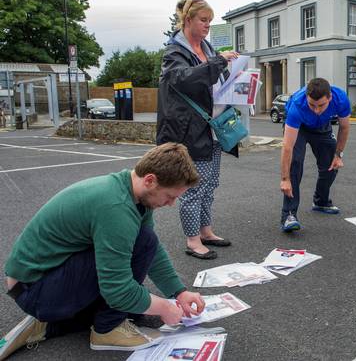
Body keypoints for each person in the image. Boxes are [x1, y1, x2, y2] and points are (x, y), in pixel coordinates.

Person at [1, 143, 206, 360]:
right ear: (150, 180)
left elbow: (153, 253)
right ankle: (106, 331)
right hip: (33, 290)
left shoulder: (131, 192)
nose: (172, 204)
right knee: (133, 285)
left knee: (137, 307)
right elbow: (117, 289)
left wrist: (179, 292)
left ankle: (50, 325)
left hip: (42, 279)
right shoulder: (116, 208)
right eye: (170, 196)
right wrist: (165, 307)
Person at [157, 0, 240, 260]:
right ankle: (193, 241)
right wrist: (218, 63)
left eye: (210, 22)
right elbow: (183, 79)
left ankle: (206, 231)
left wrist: (239, 81)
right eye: (203, 20)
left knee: (211, 184)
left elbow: (216, 80)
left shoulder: (206, 47)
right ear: (188, 20)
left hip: (213, 127)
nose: (207, 26)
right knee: (193, 187)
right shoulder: (175, 53)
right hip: (189, 131)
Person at [279, 77, 352, 232]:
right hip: (300, 128)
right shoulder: (297, 105)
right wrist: (285, 179)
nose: (317, 109)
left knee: (331, 164)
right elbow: (287, 147)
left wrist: (338, 155)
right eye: (312, 105)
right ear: (306, 98)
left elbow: (344, 127)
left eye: (321, 105)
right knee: (295, 163)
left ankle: (321, 201)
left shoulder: (340, 98)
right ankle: (289, 215)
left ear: (330, 98)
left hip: (322, 127)